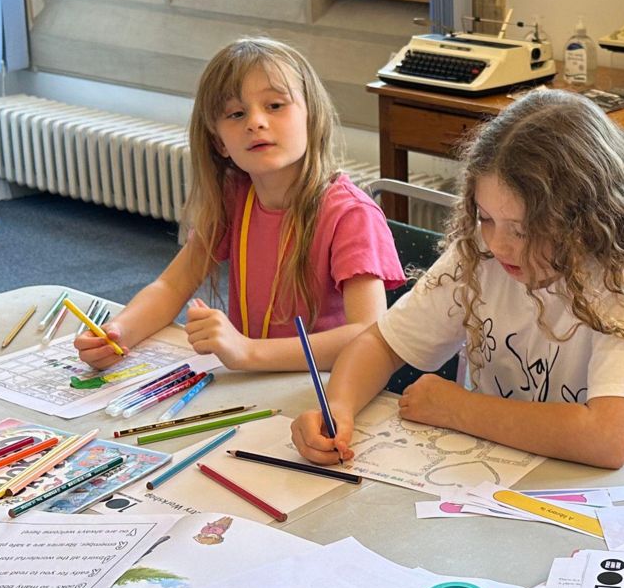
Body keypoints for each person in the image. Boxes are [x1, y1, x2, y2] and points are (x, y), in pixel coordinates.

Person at [290, 89, 624, 476]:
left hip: (619, 509)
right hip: (506, 477)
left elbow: (607, 439)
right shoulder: (479, 254)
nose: (499, 244)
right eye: (486, 218)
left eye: (523, 230)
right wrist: (337, 409)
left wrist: (459, 409)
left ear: (586, 221)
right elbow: (380, 344)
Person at [77, 38, 404, 372]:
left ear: (311, 116)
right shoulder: (236, 198)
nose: (256, 122)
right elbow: (171, 286)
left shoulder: (351, 214)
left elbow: (368, 334)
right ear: (219, 142)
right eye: (236, 113)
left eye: (275, 105)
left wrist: (248, 351)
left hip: (323, 392)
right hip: (253, 383)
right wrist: (118, 333)